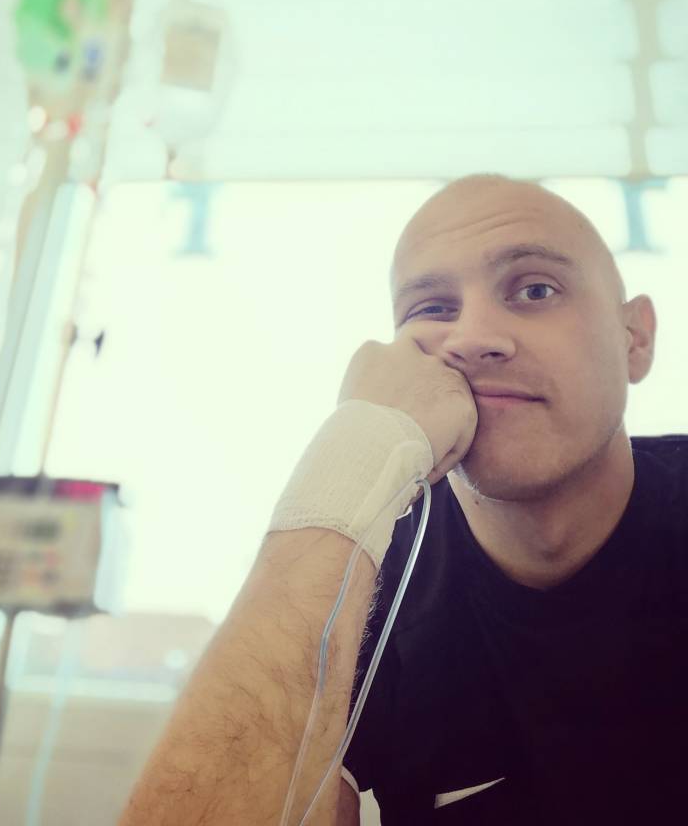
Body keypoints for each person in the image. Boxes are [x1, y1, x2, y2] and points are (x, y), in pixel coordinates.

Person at [119, 174, 680, 826]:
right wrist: (356, 450)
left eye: (535, 290)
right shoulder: (363, 585)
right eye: (433, 308)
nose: (471, 337)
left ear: (635, 338)